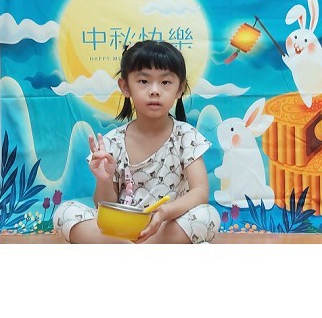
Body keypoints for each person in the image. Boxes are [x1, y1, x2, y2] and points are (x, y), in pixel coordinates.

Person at [53, 40, 220, 244]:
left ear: (180, 89)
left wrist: (164, 213)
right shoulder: (113, 141)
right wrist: (104, 179)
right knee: (64, 213)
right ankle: (139, 245)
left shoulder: (186, 136)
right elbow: (103, 205)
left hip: (166, 224)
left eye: (165, 82)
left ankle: (132, 246)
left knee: (208, 216)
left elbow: (200, 192)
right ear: (125, 87)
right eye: (143, 81)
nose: (154, 90)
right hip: (122, 228)